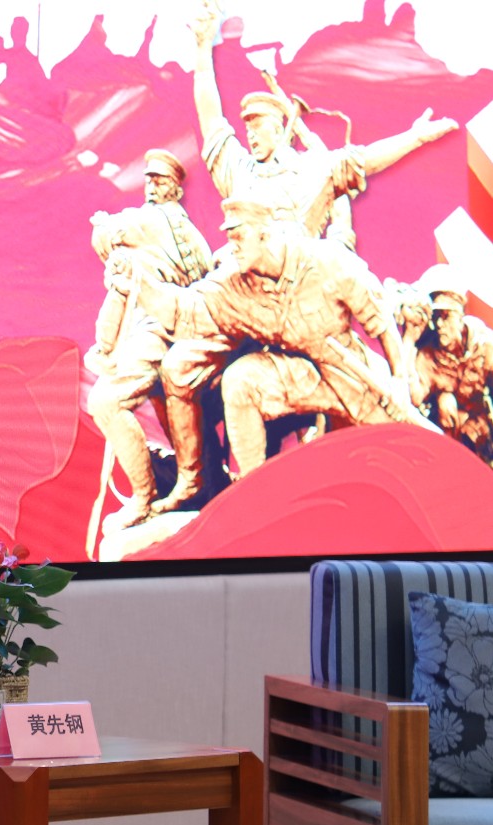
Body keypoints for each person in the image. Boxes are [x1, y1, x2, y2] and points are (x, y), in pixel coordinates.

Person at [113, 196, 429, 490]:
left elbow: (381, 322)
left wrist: (399, 381)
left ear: (264, 235)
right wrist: (138, 282)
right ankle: (256, 493)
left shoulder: (326, 261)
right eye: (230, 237)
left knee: (406, 448)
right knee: (240, 381)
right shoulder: (234, 283)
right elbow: (184, 310)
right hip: (294, 372)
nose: (233, 246)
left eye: (239, 237)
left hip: (348, 369)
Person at [190, 0, 456, 249]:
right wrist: (202, 50)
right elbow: (212, 121)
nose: (251, 135)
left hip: (302, 278)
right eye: (248, 129)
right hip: (243, 279)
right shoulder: (239, 172)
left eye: (258, 127)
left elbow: (365, 160)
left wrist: (416, 137)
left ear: (278, 130)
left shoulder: (311, 168)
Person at [85, 148, 213, 530]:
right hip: (190, 336)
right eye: (150, 181)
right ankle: (201, 483)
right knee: (170, 412)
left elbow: (105, 238)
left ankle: (143, 497)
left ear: (175, 188)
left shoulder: (146, 220)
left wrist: (101, 225)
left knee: (105, 401)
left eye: (158, 181)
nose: (151, 187)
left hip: (156, 332)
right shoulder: (195, 237)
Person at [404, 265, 493, 460]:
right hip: (453, 443)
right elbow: (411, 398)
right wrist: (409, 339)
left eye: (445, 316)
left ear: (460, 315)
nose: (439, 325)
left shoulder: (484, 343)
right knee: (446, 406)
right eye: (435, 318)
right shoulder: (428, 356)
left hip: (486, 431)